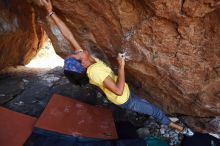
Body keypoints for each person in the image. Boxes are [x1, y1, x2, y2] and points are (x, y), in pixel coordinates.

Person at [41, 0, 194, 136]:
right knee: (154, 111)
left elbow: (69, 36)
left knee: (144, 103)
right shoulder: (95, 72)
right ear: (83, 64)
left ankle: (166, 120)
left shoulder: (86, 61)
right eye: (77, 55)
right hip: (124, 98)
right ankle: (179, 128)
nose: (78, 51)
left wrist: (51, 12)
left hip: (123, 93)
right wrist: (121, 66)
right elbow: (119, 91)